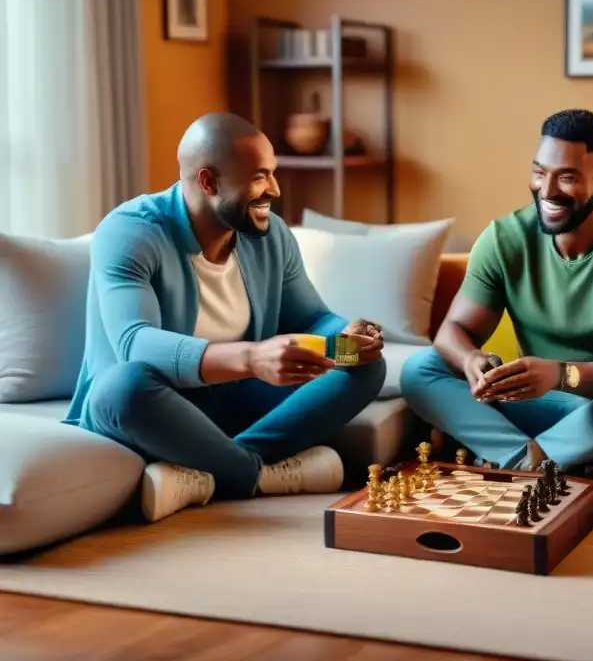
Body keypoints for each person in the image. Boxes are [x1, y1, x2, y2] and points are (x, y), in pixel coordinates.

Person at [64, 112, 387, 522]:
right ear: (208, 182)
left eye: (272, 174)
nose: (274, 189)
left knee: (364, 366)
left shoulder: (270, 234)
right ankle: (256, 474)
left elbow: (311, 318)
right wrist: (252, 358)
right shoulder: (131, 232)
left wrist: (346, 335)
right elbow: (134, 342)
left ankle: (206, 473)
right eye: (258, 177)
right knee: (121, 387)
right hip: (157, 405)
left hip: (232, 400)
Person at [399, 109, 593, 494]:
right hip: (533, 402)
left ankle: (512, 454)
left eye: (566, 177)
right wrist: (470, 361)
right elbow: (453, 330)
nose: (546, 191)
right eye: (539, 172)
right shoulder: (503, 238)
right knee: (420, 369)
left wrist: (562, 374)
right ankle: (558, 462)